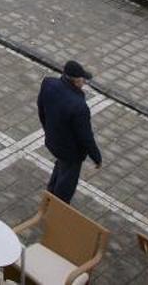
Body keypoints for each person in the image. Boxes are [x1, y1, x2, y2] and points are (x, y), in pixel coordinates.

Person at [36, 60, 102, 203]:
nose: (84, 82)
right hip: (71, 152)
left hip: (53, 141)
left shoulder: (48, 83)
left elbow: (41, 109)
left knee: (60, 167)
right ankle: (57, 209)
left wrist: (48, 130)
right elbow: (85, 137)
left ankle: (49, 195)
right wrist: (96, 157)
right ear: (76, 80)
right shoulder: (79, 107)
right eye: (83, 79)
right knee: (66, 183)